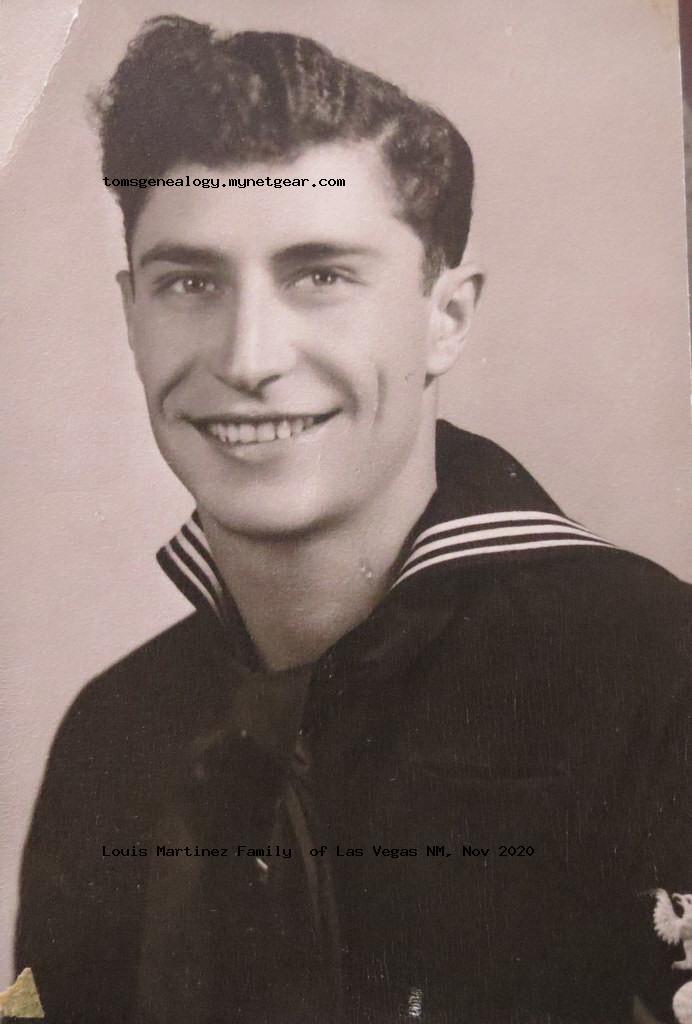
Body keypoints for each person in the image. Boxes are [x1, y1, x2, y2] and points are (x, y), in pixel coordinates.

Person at [15, 15, 691, 1024]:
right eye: (189, 283)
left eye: (320, 276)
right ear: (131, 316)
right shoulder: (114, 735)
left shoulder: (658, 677)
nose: (247, 358)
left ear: (445, 318)